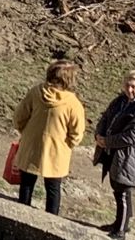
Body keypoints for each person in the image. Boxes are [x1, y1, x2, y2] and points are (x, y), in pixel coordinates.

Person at [94, 71, 135, 240]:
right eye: (127, 85)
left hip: (131, 156)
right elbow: (106, 116)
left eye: (133, 87)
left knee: (122, 190)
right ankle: (120, 223)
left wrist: (107, 142)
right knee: (119, 188)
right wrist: (99, 135)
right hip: (116, 153)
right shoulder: (120, 100)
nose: (129, 90)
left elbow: (132, 136)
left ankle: (120, 231)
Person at [13, 60, 86, 216]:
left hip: (31, 146)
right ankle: (51, 220)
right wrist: (69, 144)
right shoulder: (73, 103)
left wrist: (24, 132)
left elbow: (20, 116)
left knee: (26, 183)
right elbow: (77, 131)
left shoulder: (35, 92)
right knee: (53, 188)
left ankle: (21, 214)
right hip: (57, 151)